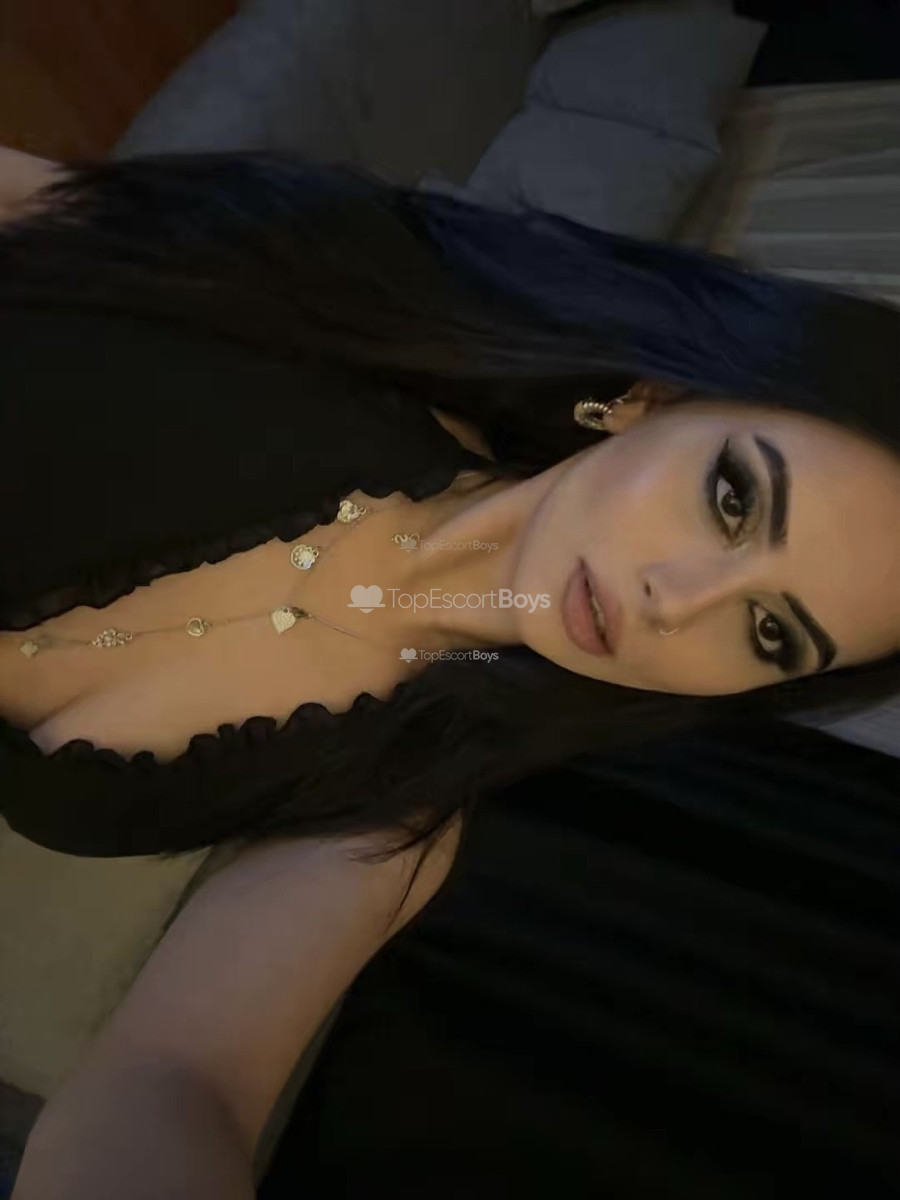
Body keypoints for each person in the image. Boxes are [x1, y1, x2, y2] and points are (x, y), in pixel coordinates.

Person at [4, 147, 900, 1196]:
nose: (681, 599)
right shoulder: (338, 289)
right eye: (733, 500)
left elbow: (180, 1078)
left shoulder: (396, 800)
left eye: (769, 632)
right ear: (656, 398)